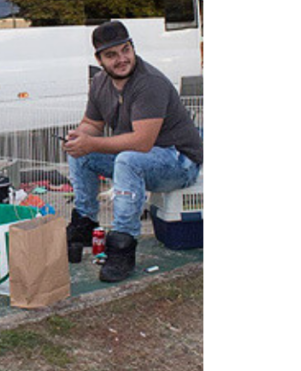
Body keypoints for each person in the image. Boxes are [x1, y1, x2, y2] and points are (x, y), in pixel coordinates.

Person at [62, 21, 204, 282]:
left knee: (128, 160)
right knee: (79, 153)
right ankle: (85, 224)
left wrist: (91, 143)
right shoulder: (99, 82)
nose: (121, 59)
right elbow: (92, 124)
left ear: (133, 48)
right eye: (111, 55)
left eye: (125, 50)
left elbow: (142, 142)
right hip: (146, 157)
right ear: (100, 59)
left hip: (180, 161)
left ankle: (122, 247)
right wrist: (78, 137)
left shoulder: (149, 82)